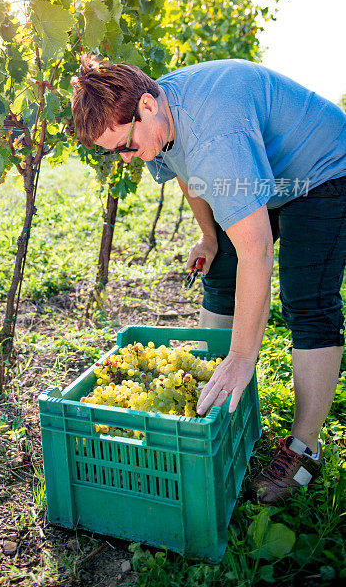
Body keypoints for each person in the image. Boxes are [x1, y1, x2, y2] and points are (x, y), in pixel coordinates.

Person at [71, 55, 346, 503]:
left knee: (307, 299)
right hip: (272, 172)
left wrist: (242, 355)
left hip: (326, 168)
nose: (125, 155)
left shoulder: (215, 135)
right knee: (221, 269)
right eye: (113, 150)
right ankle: (207, 394)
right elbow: (188, 175)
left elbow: (257, 249)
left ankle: (304, 448)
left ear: (145, 105)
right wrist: (208, 237)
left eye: (124, 144)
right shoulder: (161, 116)